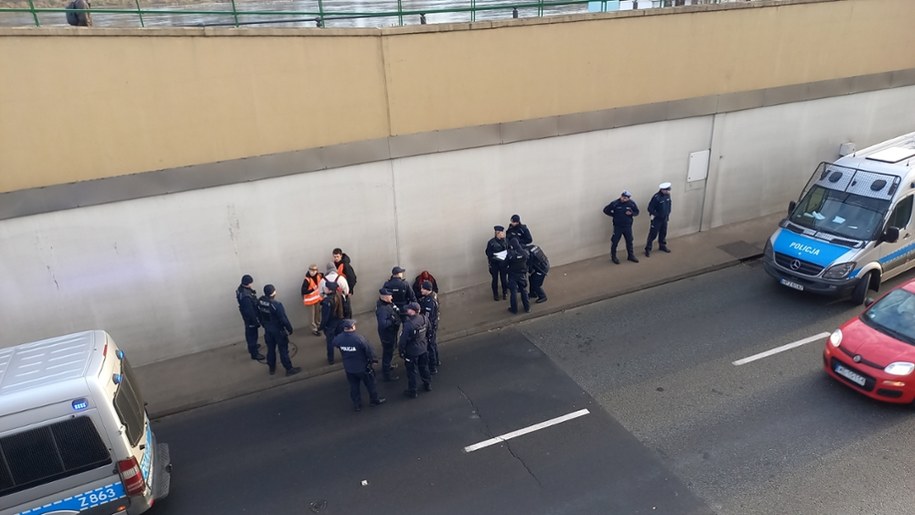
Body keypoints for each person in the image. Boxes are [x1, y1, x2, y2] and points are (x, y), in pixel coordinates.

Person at [333, 319, 386, 412]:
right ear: (352, 327)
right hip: (362, 367)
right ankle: (374, 400)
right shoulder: (359, 338)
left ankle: (357, 404)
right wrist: (374, 360)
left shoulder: (339, 338)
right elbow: (369, 350)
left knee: (354, 386)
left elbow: (334, 344)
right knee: (370, 384)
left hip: (349, 368)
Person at [256, 284, 301, 377]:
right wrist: (289, 329)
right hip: (278, 331)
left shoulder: (260, 301)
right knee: (283, 350)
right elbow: (283, 319)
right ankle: (289, 369)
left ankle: (271, 368)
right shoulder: (276, 305)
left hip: (268, 330)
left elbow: (258, 314)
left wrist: (264, 324)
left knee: (271, 349)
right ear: (273, 292)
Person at [398, 302, 432, 398]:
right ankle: (427, 384)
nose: (407, 310)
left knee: (411, 372)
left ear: (413, 311)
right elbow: (429, 331)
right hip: (423, 348)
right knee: (424, 367)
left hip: (412, 352)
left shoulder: (408, 324)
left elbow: (403, 341)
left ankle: (413, 391)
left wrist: (401, 351)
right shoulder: (424, 318)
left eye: (409, 309)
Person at [603, 190, 641, 264]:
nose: (624, 199)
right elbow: (606, 210)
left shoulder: (631, 204)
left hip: (627, 226)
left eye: (626, 198)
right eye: (623, 197)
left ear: (628, 198)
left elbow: (637, 212)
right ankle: (613, 256)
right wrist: (614, 215)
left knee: (629, 241)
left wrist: (631, 213)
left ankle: (631, 255)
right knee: (615, 242)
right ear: (621, 196)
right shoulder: (615, 203)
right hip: (618, 227)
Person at [235, 274, 264, 360]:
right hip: (250, 318)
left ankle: (251, 347)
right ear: (248, 283)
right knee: (252, 334)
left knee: (249, 332)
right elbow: (250, 311)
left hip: (246, 316)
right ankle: (254, 353)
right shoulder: (246, 296)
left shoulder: (241, 289)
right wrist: (256, 321)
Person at [375, 288, 401, 382]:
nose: (392, 297)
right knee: (387, 353)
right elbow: (383, 324)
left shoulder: (386, 304)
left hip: (391, 333)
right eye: (390, 296)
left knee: (390, 351)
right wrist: (393, 321)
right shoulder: (383, 309)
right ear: (385, 297)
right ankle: (387, 374)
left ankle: (388, 365)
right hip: (387, 335)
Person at [319, 281, 346, 365]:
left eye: (326, 287)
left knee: (330, 342)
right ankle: (345, 355)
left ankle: (331, 359)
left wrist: (321, 326)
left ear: (329, 290)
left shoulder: (327, 302)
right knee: (341, 340)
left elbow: (325, 317)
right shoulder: (339, 296)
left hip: (330, 324)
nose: (324, 288)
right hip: (339, 321)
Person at [417, 280, 441, 374]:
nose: (421, 290)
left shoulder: (429, 302)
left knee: (430, 346)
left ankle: (432, 367)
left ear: (427, 289)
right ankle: (436, 360)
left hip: (430, 326)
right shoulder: (434, 295)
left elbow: (427, 317)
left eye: (423, 288)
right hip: (434, 324)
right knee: (433, 344)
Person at [645, 182, 673, 257]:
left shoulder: (668, 195)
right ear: (662, 190)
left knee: (663, 233)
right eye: (666, 190)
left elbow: (669, 205)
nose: (668, 191)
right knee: (653, 234)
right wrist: (657, 215)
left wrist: (668, 213)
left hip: (664, 218)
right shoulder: (656, 197)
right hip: (657, 219)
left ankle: (662, 246)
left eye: (668, 190)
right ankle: (648, 248)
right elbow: (650, 208)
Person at [505, 238, 531, 314]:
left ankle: (514, 309)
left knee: (513, 292)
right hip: (522, 274)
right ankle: (527, 308)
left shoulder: (511, 254)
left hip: (513, 275)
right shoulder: (524, 252)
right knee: (524, 291)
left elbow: (504, 264)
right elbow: (528, 261)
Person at [485, 225, 509, 301]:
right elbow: (488, 253)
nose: (503, 234)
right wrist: (495, 257)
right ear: (497, 233)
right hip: (495, 263)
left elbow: (508, 249)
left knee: (504, 279)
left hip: (503, 263)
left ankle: (505, 292)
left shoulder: (505, 240)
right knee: (495, 279)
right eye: (502, 233)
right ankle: (495, 294)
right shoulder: (491, 242)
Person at [300, 264, 324, 336]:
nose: (312, 272)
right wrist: (312, 290)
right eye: (311, 270)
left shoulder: (319, 276)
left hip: (317, 299)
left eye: (314, 271)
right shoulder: (307, 280)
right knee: (312, 317)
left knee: (317, 314)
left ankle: (319, 325)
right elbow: (303, 291)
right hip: (310, 301)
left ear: (316, 271)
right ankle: (314, 329)